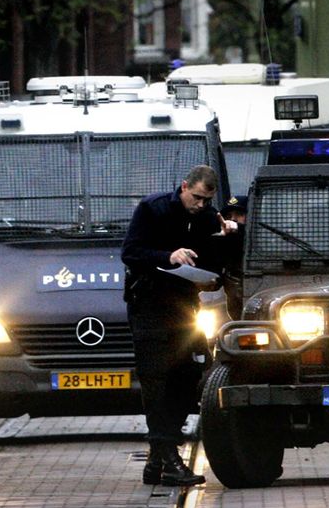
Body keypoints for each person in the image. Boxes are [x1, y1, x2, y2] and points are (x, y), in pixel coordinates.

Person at [122, 165, 236, 486]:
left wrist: (224, 237)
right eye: (196, 197)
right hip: (149, 305)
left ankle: (159, 457)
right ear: (184, 187)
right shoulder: (153, 208)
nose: (200, 205)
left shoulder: (206, 216)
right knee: (157, 380)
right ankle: (168, 458)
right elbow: (130, 252)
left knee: (188, 375)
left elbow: (211, 261)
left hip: (184, 307)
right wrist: (168, 256)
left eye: (206, 200)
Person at [219, 195, 248, 320]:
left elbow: (250, 234)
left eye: (239, 214)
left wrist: (238, 228)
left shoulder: (263, 241)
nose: (233, 220)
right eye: (229, 216)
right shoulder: (224, 241)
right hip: (234, 305)